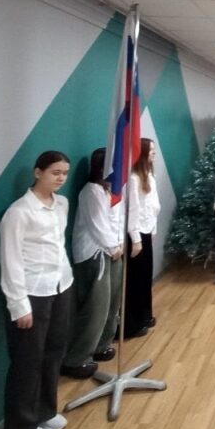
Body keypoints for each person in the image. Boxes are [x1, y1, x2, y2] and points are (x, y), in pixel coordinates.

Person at [0, 150, 74, 429]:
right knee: (27, 361)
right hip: (32, 293)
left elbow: (58, 246)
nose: (61, 178)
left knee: (53, 352)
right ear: (38, 172)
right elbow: (11, 261)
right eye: (55, 172)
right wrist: (19, 305)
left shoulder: (62, 204)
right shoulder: (19, 212)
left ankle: (44, 411)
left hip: (60, 286)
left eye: (64, 173)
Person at [62, 148, 124, 380]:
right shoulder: (91, 191)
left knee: (112, 302)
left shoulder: (109, 190)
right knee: (96, 307)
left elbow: (115, 219)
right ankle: (76, 359)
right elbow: (97, 225)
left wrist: (118, 243)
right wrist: (113, 246)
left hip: (112, 250)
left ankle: (101, 345)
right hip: (94, 254)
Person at [124, 138, 160, 338]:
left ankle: (145, 314)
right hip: (136, 235)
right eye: (151, 150)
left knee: (146, 277)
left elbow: (153, 207)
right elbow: (133, 210)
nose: (154, 153)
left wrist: (153, 230)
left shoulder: (149, 176)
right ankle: (133, 323)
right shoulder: (134, 179)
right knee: (136, 280)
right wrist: (136, 238)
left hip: (147, 231)